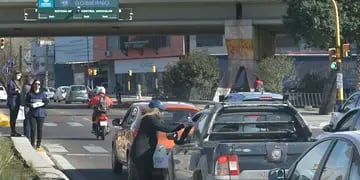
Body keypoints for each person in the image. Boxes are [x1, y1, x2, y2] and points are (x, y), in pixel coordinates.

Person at [130, 100, 192, 180]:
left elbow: (166, 125)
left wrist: (181, 124)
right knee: (145, 176)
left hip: (145, 152)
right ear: (155, 110)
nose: (163, 113)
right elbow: (165, 128)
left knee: (147, 175)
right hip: (141, 153)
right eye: (161, 110)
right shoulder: (150, 118)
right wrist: (183, 125)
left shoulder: (152, 119)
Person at [25, 79, 49, 149]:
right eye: (35, 84)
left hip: (41, 114)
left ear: (40, 86)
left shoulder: (42, 94)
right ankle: (32, 143)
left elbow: (46, 102)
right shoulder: (30, 94)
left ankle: (38, 143)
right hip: (32, 114)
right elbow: (26, 102)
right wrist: (31, 105)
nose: (37, 85)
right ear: (33, 85)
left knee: (40, 129)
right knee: (33, 129)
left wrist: (42, 104)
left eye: (38, 84)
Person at [7, 71, 23, 136]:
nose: (19, 77)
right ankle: (13, 131)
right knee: (13, 116)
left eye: (20, 75)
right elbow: (9, 91)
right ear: (14, 75)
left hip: (17, 101)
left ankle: (14, 131)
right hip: (12, 101)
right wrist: (16, 91)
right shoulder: (11, 82)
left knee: (15, 116)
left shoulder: (19, 82)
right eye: (18, 75)